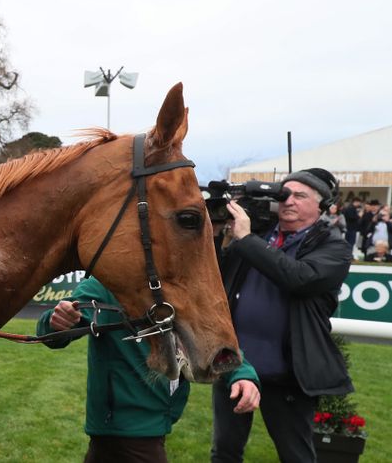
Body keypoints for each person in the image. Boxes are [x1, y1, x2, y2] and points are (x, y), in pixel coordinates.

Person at [212, 168, 353, 463]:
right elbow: (216, 273)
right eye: (284, 194)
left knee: (296, 456)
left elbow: (299, 278)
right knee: (225, 452)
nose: (288, 201)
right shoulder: (257, 236)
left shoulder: (334, 247)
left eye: (300, 196)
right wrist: (216, 231)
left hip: (288, 375)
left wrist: (246, 238)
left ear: (321, 205)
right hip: (236, 364)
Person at [37, 277, 260, 463]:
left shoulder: (180, 283)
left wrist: (242, 373)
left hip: (154, 424)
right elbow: (58, 326)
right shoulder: (107, 282)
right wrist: (57, 321)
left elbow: (211, 335)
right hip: (123, 428)